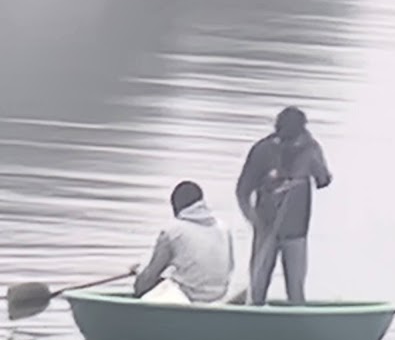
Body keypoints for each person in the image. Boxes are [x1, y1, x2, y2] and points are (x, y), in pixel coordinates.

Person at [235, 106, 331, 305]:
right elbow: (243, 192)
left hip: (297, 232)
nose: (290, 144)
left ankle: (296, 327)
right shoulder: (263, 150)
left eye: (294, 139)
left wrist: (313, 164)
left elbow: (324, 180)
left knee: (296, 291)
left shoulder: (310, 148)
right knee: (258, 287)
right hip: (266, 228)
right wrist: (254, 221)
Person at [133, 181, 234, 305]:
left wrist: (140, 274)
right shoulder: (224, 229)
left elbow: (144, 284)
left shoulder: (173, 231)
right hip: (219, 299)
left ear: (176, 208)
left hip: (187, 301)